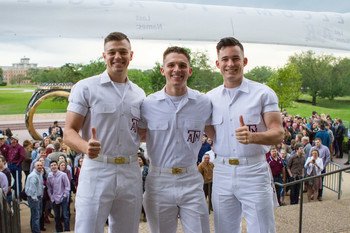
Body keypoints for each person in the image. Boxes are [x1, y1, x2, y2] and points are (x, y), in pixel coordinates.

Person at [63, 31, 145, 233]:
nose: (118, 57)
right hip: (98, 169)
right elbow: (69, 131)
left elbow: (142, 133)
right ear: (104, 55)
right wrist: (85, 147)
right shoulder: (86, 87)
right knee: (88, 229)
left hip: (130, 170)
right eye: (112, 52)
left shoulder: (139, 94)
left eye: (123, 52)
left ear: (131, 55)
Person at [205, 37, 284, 233]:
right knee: (224, 229)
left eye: (235, 58)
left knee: (262, 229)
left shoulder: (263, 93)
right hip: (222, 171)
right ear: (218, 64)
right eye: (225, 59)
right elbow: (210, 131)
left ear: (244, 61)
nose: (230, 64)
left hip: (253, 171)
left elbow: (279, 133)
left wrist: (253, 137)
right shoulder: (209, 98)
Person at [139, 46, 212, 233]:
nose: (177, 69)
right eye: (171, 65)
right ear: (163, 70)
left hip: (191, 179)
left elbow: (217, 132)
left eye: (182, 65)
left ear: (190, 70)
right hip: (159, 180)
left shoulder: (203, 103)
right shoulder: (148, 104)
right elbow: (135, 135)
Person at [47, 160, 71, 232]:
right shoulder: (49, 175)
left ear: (57, 166)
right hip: (54, 198)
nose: (53, 166)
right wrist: (51, 197)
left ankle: (67, 230)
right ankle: (59, 230)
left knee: (65, 215)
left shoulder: (63, 175)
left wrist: (65, 196)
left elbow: (67, 186)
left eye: (55, 165)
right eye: (52, 165)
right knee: (57, 217)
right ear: (50, 167)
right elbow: (49, 188)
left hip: (63, 198)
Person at [25, 161, 44, 233]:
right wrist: (35, 198)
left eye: (41, 165)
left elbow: (39, 185)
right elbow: (32, 189)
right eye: (38, 165)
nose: (39, 166)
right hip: (34, 198)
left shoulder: (39, 174)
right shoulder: (33, 175)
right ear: (34, 166)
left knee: (35, 215)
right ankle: (36, 231)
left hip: (38, 197)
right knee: (36, 216)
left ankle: (34, 230)